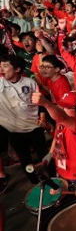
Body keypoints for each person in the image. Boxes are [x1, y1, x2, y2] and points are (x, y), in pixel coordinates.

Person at [0, 54, 50, 183]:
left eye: (5, 66)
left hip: (34, 127)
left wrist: (43, 119)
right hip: (15, 131)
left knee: (44, 156)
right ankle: (36, 182)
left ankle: (53, 177)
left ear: (17, 69)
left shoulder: (30, 83)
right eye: (0, 66)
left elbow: (41, 104)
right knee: (25, 160)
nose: (2, 69)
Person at [31, 90, 76, 191]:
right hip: (63, 171)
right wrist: (50, 154)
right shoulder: (61, 124)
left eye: (67, 107)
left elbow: (61, 117)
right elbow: (57, 137)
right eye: (61, 106)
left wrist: (45, 103)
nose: (63, 110)